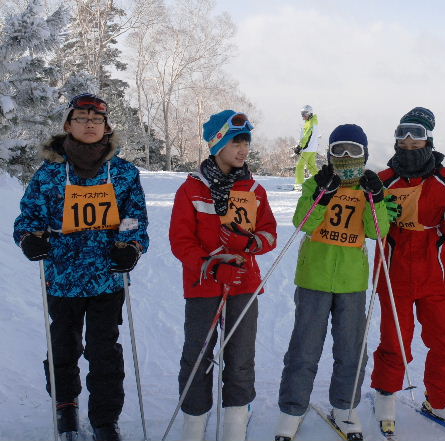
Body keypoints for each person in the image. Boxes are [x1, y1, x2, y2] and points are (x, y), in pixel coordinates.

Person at [13, 93, 149, 441]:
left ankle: (105, 419)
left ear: (107, 127)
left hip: (107, 278)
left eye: (97, 119)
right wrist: (29, 239)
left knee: (104, 350)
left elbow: (134, 218)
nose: (90, 124)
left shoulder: (123, 172)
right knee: (63, 346)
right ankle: (66, 407)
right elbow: (29, 218)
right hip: (62, 277)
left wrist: (130, 246)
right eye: (82, 118)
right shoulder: (49, 173)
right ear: (68, 125)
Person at [275, 124, 390, 441]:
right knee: (305, 347)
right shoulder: (317, 182)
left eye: (354, 150)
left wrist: (378, 198)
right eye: (339, 150)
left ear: (364, 155)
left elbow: (377, 231)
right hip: (314, 277)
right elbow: (303, 222)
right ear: (329, 153)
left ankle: (345, 407)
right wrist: (322, 196)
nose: (346, 156)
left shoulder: (368, 189)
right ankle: (292, 409)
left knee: (351, 350)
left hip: (352, 282)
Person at [169, 110, 277, 441]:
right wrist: (212, 265)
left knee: (240, 358)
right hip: (203, 286)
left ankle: (235, 425)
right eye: (235, 142)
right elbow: (181, 241)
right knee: (197, 356)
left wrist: (251, 243)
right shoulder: (192, 189)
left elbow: (269, 234)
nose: (243, 149)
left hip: (243, 285)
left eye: (246, 142)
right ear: (217, 145)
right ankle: (194, 425)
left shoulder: (254, 189)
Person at [369, 107, 445, 436]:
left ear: (428, 139)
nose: (409, 142)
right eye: (403, 135)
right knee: (395, 340)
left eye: (416, 135)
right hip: (395, 274)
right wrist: (381, 214)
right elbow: (368, 225)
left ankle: (442, 399)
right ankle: (386, 395)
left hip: (437, 274)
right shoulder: (384, 180)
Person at [293, 104, 320, 191]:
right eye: (302, 113)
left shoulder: (310, 123)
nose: (303, 116)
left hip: (308, 149)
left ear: (309, 113)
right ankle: (320, 183)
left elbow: (306, 136)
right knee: (312, 166)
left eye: (304, 113)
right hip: (313, 148)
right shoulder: (314, 121)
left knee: (300, 166)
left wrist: (300, 147)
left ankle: (299, 185)